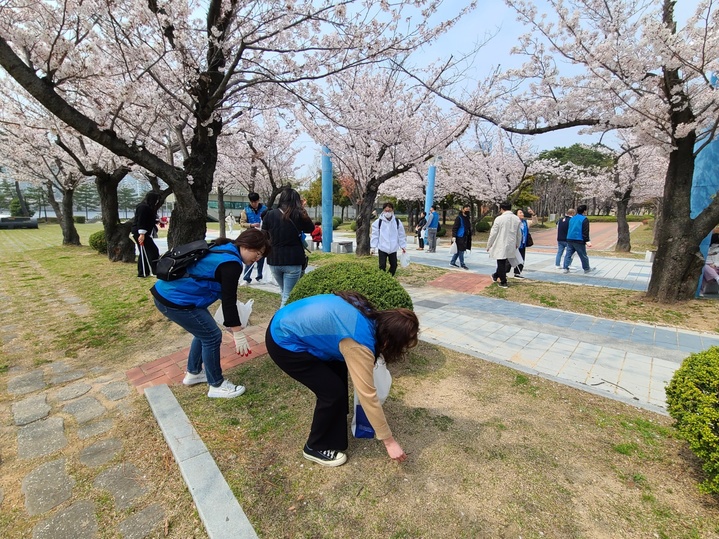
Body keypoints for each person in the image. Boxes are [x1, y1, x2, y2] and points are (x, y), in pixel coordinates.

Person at [265, 291, 419, 467]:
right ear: (389, 342)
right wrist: (389, 442)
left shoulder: (369, 314)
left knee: (337, 375)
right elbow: (368, 395)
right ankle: (315, 447)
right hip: (284, 340)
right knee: (331, 393)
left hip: (286, 320)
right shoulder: (358, 344)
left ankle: (335, 421)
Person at [151, 228, 272, 399]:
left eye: (261, 256)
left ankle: (193, 373)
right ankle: (216, 385)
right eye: (257, 253)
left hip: (174, 295)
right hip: (175, 300)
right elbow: (229, 299)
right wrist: (238, 333)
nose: (257, 258)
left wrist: (235, 321)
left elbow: (224, 292)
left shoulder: (227, 247)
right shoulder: (231, 263)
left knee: (204, 332)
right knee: (212, 336)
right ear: (246, 245)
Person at [262, 187, 315, 307]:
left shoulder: (269, 215)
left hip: (274, 259)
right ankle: (279, 323)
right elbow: (311, 229)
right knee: (287, 296)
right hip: (293, 260)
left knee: (284, 293)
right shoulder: (299, 215)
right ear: (296, 200)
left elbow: (263, 235)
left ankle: (285, 320)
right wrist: (305, 216)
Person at [487, 201, 522, 289]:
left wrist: (489, 244)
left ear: (501, 209)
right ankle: (495, 275)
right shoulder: (516, 219)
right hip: (511, 243)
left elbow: (493, 233)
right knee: (504, 261)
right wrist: (518, 243)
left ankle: (503, 281)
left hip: (501, 243)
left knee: (501, 262)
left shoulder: (499, 219)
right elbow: (519, 233)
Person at [370, 202, 407, 276]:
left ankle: (389, 277)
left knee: (394, 265)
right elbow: (375, 235)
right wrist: (373, 247)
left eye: (389, 211)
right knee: (382, 265)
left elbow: (401, 235)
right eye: (386, 211)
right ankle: (382, 279)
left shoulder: (397, 222)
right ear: (383, 211)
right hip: (382, 247)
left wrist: (403, 246)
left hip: (393, 248)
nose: (387, 213)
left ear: (392, 211)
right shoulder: (378, 222)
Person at [131, 191, 162, 278]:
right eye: (156, 200)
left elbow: (148, 219)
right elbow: (141, 221)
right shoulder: (143, 207)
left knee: (144, 252)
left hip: (143, 233)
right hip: (140, 233)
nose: (157, 202)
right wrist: (142, 234)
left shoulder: (146, 207)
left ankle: (143, 272)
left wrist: (157, 221)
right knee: (152, 251)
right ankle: (152, 271)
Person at [239, 193, 268, 283]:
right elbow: (242, 223)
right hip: (251, 237)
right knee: (250, 256)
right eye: (252, 202)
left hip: (262, 236)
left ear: (258, 200)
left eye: (255, 202)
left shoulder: (265, 209)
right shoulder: (245, 210)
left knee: (261, 257)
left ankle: (260, 277)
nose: (254, 204)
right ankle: (246, 277)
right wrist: (251, 225)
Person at [563, 204, 593, 273]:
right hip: (579, 239)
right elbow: (585, 231)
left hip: (570, 238)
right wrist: (587, 240)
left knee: (568, 254)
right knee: (583, 255)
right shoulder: (584, 219)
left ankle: (565, 268)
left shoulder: (572, 218)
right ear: (584, 211)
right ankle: (586, 268)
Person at [449, 204, 472, 270]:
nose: (467, 210)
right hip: (459, 236)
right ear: (463, 209)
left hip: (465, 236)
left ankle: (452, 262)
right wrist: (454, 236)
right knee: (461, 251)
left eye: (468, 209)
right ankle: (462, 264)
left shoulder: (467, 218)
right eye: (466, 209)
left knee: (458, 251)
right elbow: (455, 227)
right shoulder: (459, 218)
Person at [512, 209, 529, 278]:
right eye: (520, 213)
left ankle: (517, 273)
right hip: (515, 244)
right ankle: (504, 271)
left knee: (521, 259)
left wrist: (533, 214)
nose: (522, 214)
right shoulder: (514, 222)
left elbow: (535, 222)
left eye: (522, 212)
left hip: (523, 244)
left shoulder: (525, 222)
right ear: (516, 215)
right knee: (510, 258)